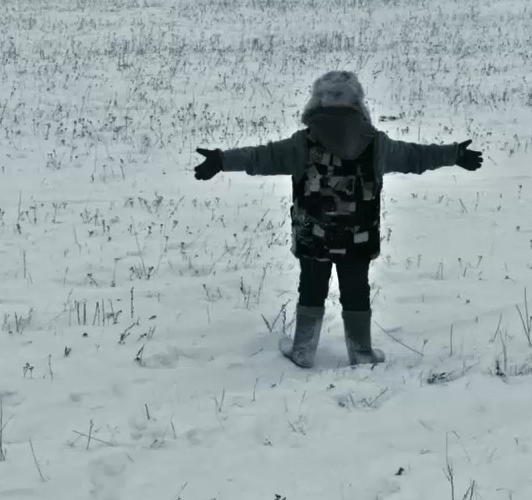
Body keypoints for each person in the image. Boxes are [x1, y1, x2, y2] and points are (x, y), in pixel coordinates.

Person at [193, 71, 483, 368]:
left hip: (313, 236)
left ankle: (303, 350)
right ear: (357, 104)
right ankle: (361, 352)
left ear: (316, 104)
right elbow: (414, 157)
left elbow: (260, 156)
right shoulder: (376, 144)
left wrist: (221, 160)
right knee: (356, 290)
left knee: (311, 286)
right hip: (358, 237)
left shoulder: (302, 143)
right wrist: (454, 154)